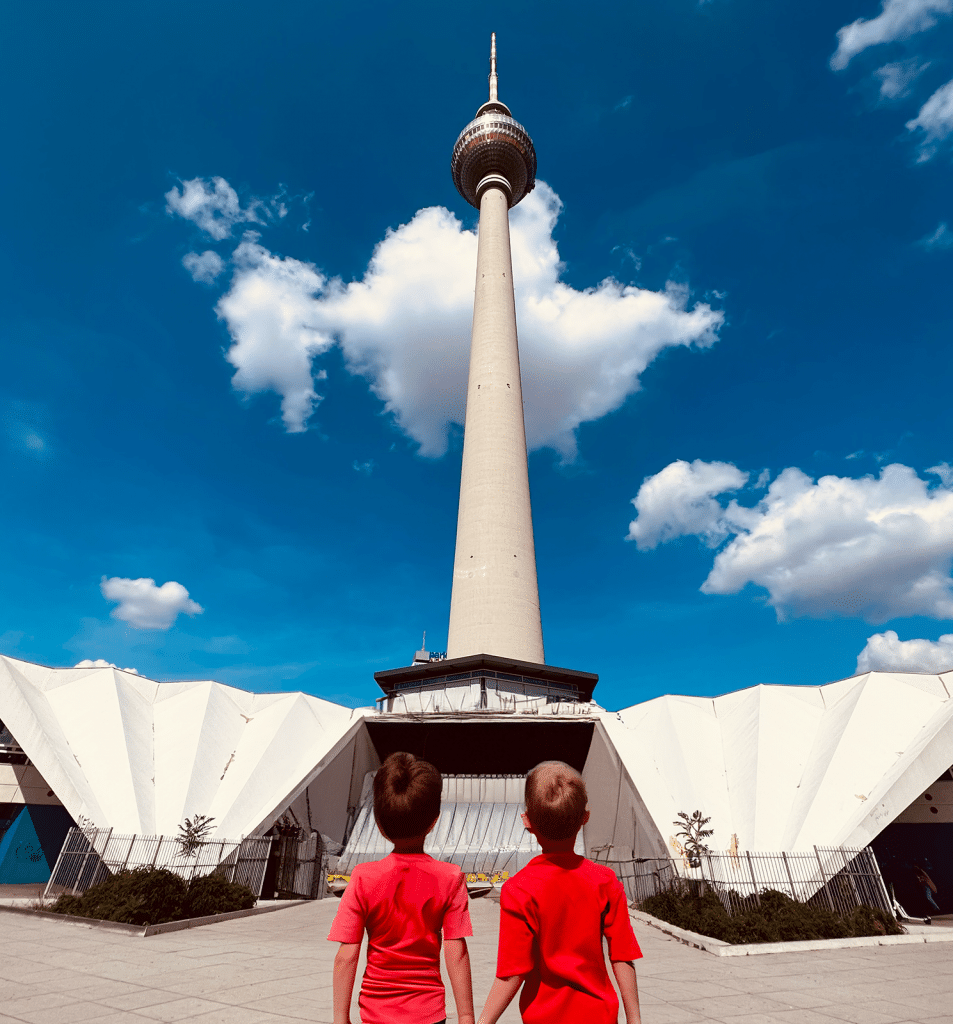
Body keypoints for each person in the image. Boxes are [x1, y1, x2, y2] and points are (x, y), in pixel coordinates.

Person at [478, 761, 643, 1024]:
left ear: (527, 822)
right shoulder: (605, 882)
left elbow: (513, 972)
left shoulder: (519, 889)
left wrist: (484, 1020)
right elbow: (622, 957)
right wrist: (634, 1020)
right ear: (585, 818)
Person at [328, 752, 474, 1024]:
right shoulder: (450, 878)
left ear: (380, 826)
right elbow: (457, 951)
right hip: (428, 1014)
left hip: (376, 1014)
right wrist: (466, 1015)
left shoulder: (362, 878)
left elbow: (346, 956)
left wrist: (340, 1018)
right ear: (434, 821)